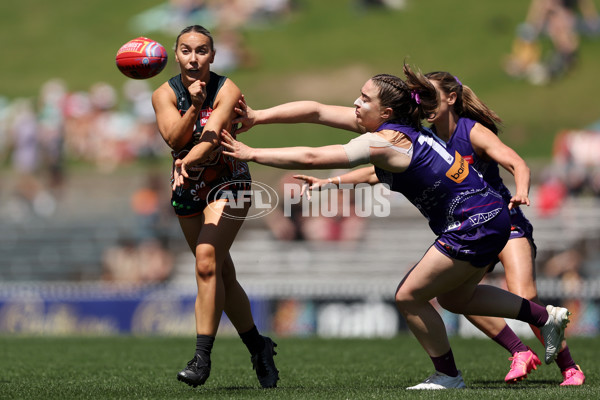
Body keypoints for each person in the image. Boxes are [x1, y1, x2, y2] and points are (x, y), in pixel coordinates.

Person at [205, 66, 571, 390]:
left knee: (407, 296)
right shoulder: (399, 130)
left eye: (364, 99)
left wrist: (252, 153)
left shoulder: (383, 140)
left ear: (386, 111)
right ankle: (543, 317)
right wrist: (258, 115)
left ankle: (448, 376)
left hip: (473, 221)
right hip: (488, 216)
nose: (356, 103)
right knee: (454, 298)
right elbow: (316, 110)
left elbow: (315, 156)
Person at [422, 71, 584, 386]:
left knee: (525, 295)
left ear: (451, 98)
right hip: (471, 229)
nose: (424, 105)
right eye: (420, 99)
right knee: (455, 296)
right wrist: (336, 180)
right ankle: (520, 352)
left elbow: (517, 163)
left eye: (431, 96)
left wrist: (522, 190)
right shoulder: (428, 140)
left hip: (506, 220)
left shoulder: (473, 132)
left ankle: (570, 368)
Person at [151, 25, 279, 389]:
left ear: (213, 55)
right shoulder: (163, 94)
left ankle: (201, 358)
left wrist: (187, 161)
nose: (194, 58)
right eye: (187, 50)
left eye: (202, 51)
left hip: (230, 183)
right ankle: (258, 346)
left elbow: (213, 138)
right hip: (188, 187)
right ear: (175, 55)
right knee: (219, 273)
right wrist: (192, 105)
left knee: (206, 258)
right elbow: (173, 137)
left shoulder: (228, 89)